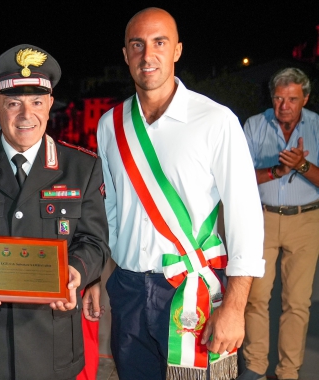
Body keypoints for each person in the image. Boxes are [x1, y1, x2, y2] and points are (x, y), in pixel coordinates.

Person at [94, 8, 265, 380]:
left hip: (191, 290)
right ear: (125, 55)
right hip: (127, 289)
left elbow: (245, 217)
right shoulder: (110, 125)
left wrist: (235, 307)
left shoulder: (216, 121)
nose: (147, 55)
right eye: (136, 45)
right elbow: (107, 210)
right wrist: (96, 276)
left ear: (177, 51)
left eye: (159, 42)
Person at [0, 44, 109, 380]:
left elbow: (95, 241)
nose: (26, 115)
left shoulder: (82, 167)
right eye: (13, 104)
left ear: (50, 105)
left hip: (52, 342)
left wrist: (75, 273)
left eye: (36, 102)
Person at [240, 67, 319, 380]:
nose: (284, 105)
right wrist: (275, 172)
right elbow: (241, 178)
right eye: (278, 98)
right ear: (271, 97)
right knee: (256, 297)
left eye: (292, 99)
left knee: (297, 303)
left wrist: (301, 165)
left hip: (306, 219)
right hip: (263, 219)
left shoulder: (317, 126)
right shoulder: (255, 125)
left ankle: (288, 372)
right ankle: (256, 366)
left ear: (305, 99)